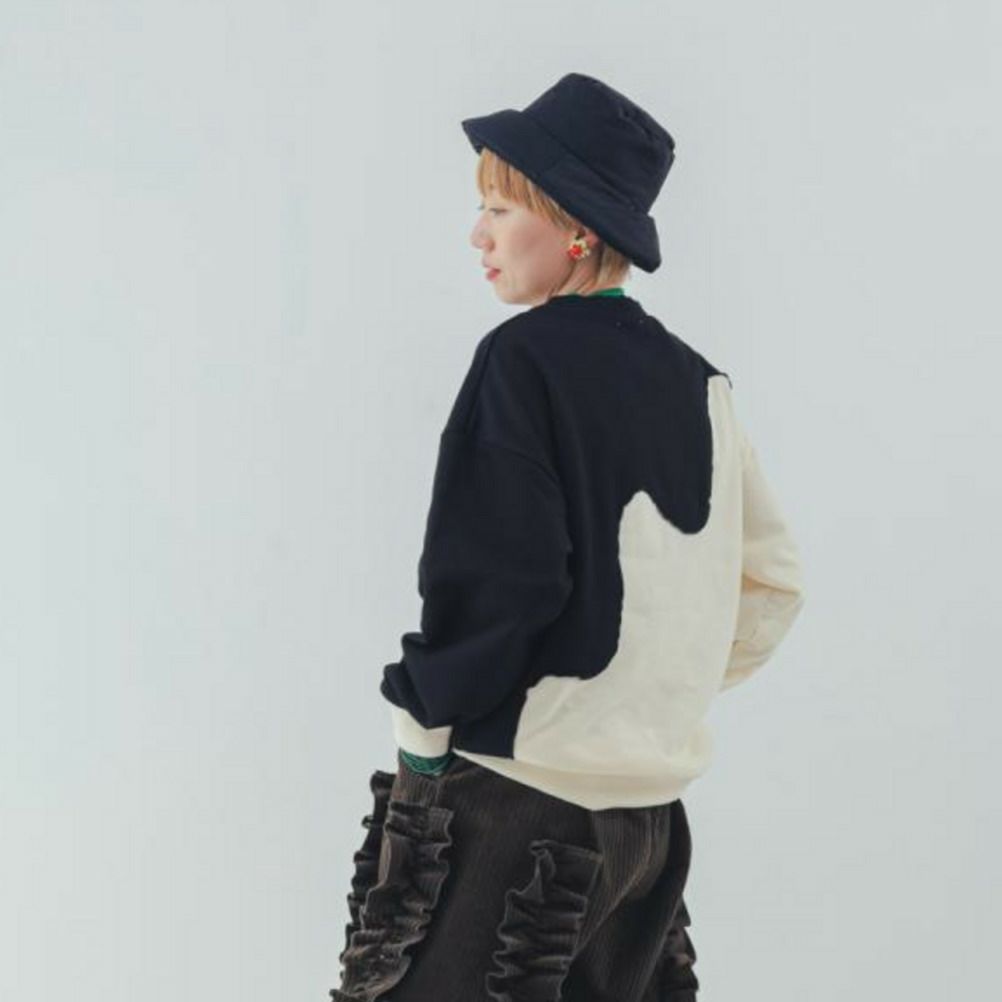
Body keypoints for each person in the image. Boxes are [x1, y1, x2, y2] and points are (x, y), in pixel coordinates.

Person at [331, 72, 806, 1002]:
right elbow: (775, 582)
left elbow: (497, 582)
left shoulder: (522, 362)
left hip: (516, 814)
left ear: (575, 228)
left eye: (499, 209)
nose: (478, 235)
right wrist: (645, 697)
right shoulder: (699, 383)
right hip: (650, 830)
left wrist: (422, 735)